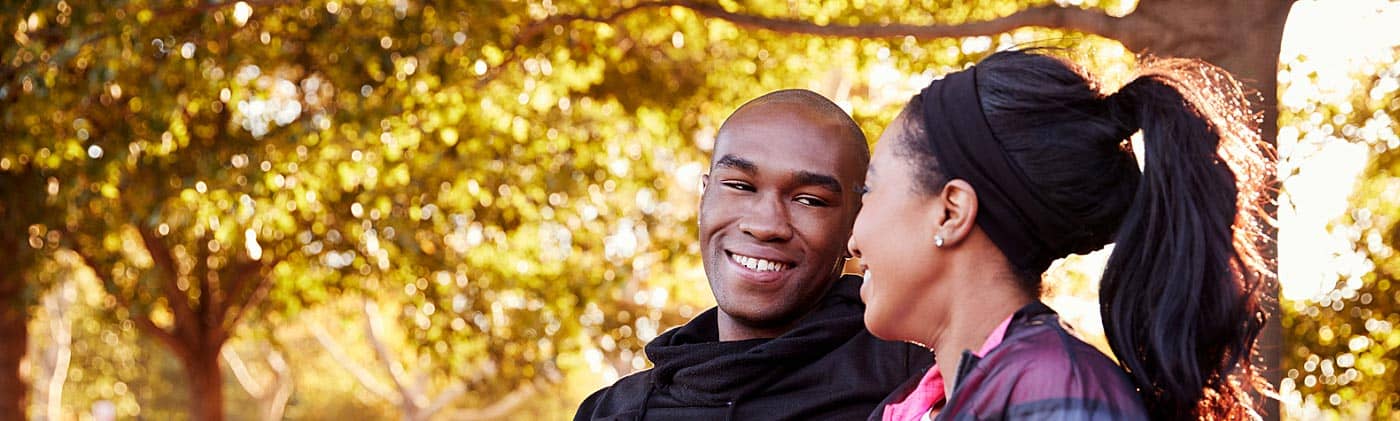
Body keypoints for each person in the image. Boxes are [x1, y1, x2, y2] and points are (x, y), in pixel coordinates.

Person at [847, 49, 1273, 420]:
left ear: (951, 212)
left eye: (868, 191)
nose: (852, 239)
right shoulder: (919, 405)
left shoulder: (1058, 392)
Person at [574, 89, 931, 421]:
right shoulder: (615, 410)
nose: (765, 225)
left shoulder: (913, 388)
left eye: (809, 200)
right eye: (740, 186)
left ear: (856, 222)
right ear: (704, 198)